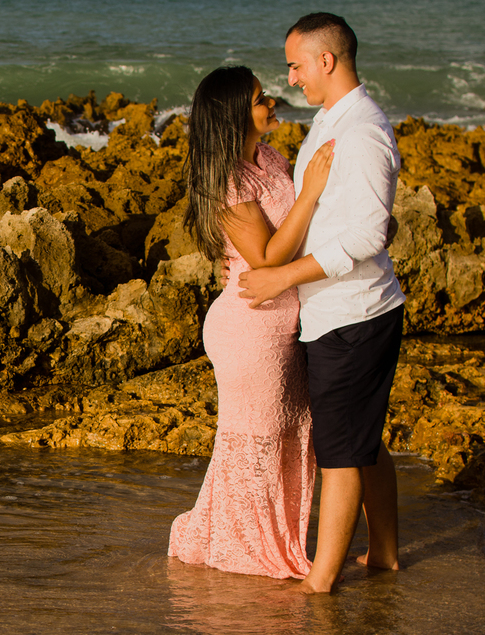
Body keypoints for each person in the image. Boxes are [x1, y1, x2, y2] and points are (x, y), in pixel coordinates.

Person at [238, 12, 405, 593]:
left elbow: (367, 237)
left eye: (296, 64)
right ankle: (383, 552)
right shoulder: (332, 119)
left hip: (352, 314)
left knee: (339, 451)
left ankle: (321, 581)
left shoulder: (360, 131)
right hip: (342, 310)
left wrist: (282, 277)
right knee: (361, 438)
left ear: (326, 60)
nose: (291, 77)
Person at [168, 65, 334, 580]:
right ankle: (243, 549)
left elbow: (294, 237)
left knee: (282, 440)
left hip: (285, 321)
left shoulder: (269, 157)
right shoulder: (229, 178)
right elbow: (264, 257)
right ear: (235, 111)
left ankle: (260, 539)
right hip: (250, 326)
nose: (273, 102)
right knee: (254, 443)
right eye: (261, 98)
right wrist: (310, 192)